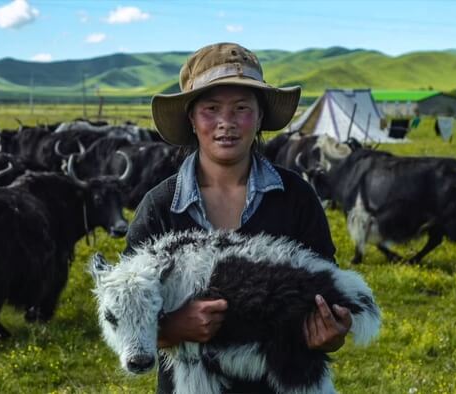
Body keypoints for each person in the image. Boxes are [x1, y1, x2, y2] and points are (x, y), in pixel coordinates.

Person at [125, 42, 352, 394]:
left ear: (260, 117)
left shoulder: (296, 200)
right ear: (191, 118)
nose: (226, 123)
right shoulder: (160, 208)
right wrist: (172, 329)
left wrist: (331, 334)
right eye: (211, 109)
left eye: (241, 109)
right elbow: (124, 312)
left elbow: (327, 296)